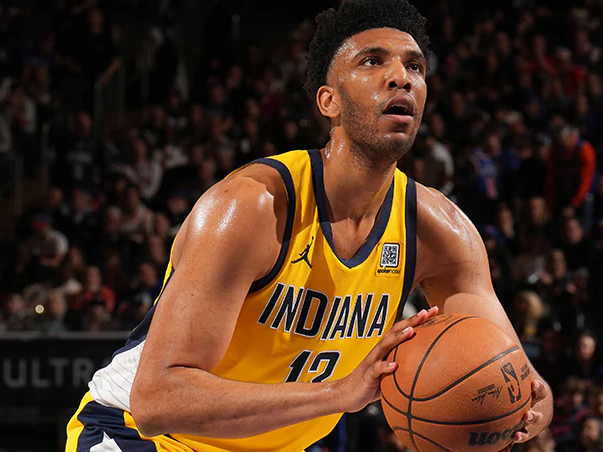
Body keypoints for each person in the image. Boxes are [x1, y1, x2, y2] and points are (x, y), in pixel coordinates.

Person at [64, 1, 553, 451]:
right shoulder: (251, 206)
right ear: (328, 102)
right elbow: (158, 400)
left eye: (415, 66)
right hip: (137, 436)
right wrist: (340, 393)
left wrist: (524, 406)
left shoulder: (440, 229)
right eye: (372, 61)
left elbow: (521, 378)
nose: (400, 77)